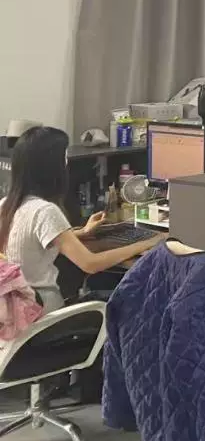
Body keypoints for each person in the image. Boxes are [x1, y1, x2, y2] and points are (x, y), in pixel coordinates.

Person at [0, 126, 160, 312]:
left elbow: (28, 243)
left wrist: (81, 232)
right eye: (64, 158)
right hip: (43, 313)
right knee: (129, 302)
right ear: (52, 168)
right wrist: (147, 243)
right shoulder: (45, 211)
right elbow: (90, 264)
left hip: (13, 310)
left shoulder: (6, 204)